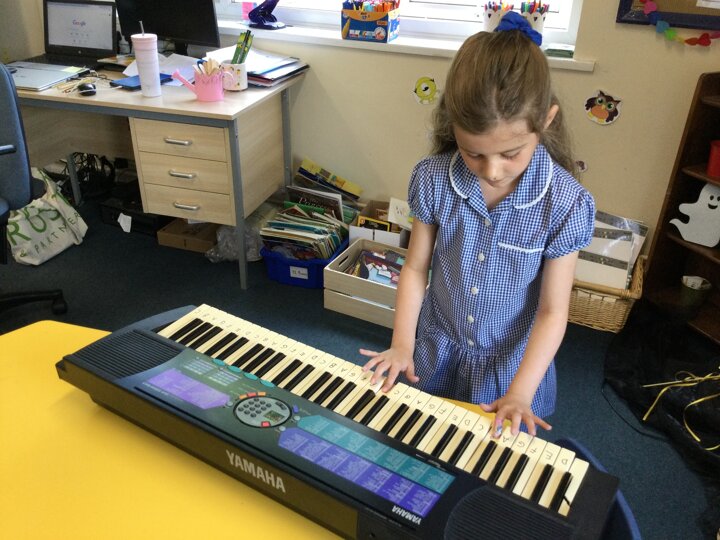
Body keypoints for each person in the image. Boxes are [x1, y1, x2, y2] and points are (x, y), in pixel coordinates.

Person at [360, 13, 595, 438]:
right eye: (473, 153)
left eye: (511, 153)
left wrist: (520, 392)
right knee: (420, 441)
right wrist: (402, 345)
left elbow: (552, 311)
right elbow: (415, 267)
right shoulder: (433, 178)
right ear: (452, 124)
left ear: (546, 121)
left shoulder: (566, 203)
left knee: (486, 460)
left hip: (511, 368)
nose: (492, 170)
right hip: (437, 348)